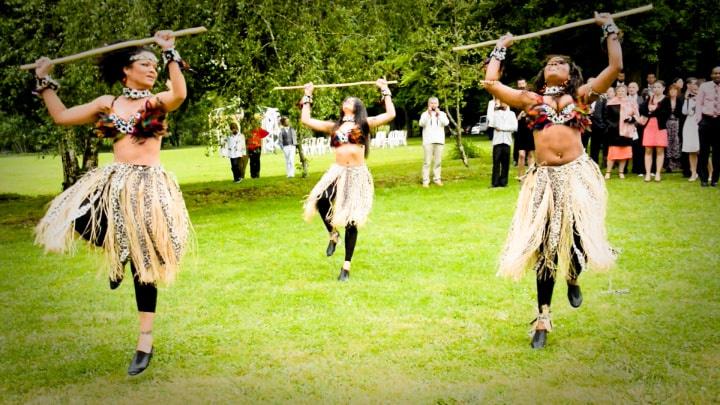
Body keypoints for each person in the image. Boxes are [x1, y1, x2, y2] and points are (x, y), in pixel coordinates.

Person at [32, 31, 191, 375]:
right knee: (76, 216)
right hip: (115, 182)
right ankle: (116, 253)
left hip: (149, 187)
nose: (151, 70)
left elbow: (179, 92)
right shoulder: (108, 103)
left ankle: (144, 341)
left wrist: (169, 52)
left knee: (144, 262)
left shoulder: (158, 101)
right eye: (144, 64)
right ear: (125, 70)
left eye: (153, 64)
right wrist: (44, 82)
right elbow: (61, 116)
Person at [483, 12, 619, 349]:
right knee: (546, 246)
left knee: (575, 239)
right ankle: (543, 316)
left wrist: (609, 28)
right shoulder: (532, 101)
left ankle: (574, 275)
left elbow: (614, 68)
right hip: (544, 181)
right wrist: (501, 48)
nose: (554, 65)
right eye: (550, 64)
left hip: (576, 177)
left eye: (561, 63)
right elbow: (491, 84)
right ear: (544, 74)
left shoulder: (583, 97)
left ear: (571, 73)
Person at [301, 79, 395, 281]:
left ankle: (346, 266)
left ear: (357, 107)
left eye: (351, 100)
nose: (347, 101)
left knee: (352, 221)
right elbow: (306, 120)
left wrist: (385, 89)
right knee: (321, 199)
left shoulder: (364, 124)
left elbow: (390, 114)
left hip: (357, 175)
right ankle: (333, 234)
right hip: (337, 171)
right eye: (345, 100)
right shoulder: (334, 126)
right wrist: (308, 95)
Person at [604, 85, 639, 179]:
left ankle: (621, 172)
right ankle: (608, 172)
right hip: (614, 131)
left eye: (623, 91)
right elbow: (606, 117)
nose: (621, 93)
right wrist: (612, 125)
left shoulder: (631, 102)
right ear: (616, 92)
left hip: (627, 131)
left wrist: (631, 119)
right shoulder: (611, 103)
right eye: (619, 91)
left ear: (626, 91)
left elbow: (637, 116)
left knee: (624, 153)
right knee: (612, 153)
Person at [639, 80, 670, 182]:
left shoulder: (666, 99)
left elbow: (666, 113)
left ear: (663, 88)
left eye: (658, 87)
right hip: (649, 126)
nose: (656, 89)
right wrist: (649, 111)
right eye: (655, 87)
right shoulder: (649, 98)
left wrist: (654, 110)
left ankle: (658, 173)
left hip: (660, 127)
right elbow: (642, 109)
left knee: (660, 150)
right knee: (648, 150)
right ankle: (648, 173)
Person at [695, 66, 720, 187]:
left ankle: (715, 179)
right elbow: (699, 103)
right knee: (704, 152)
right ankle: (703, 178)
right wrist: (699, 120)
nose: (717, 75)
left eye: (719, 73)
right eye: (715, 73)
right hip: (706, 121)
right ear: (711, 75)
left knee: (717, 152)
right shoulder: (704, 86)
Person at [419, 96, 449, 187]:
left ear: (438, 104)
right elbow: (421, 124)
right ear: (428, 104)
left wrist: (438, 114)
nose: (433, 105)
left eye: (435, 103)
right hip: (428, 141)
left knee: (438, 162)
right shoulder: (424, 114)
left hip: (439, 140)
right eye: (431, 103)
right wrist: (428, 114)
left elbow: (446, 123)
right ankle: (425, 181)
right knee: (427, 162)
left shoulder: (442, 114)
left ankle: (437, 179)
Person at [488, 100, 517, 187]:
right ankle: (495, 182)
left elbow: (514, 127)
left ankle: (504, 181)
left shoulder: (511, 114)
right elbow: (492, 124)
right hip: (497, 141)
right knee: (496, 162)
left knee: (505, 163)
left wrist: (502, 128)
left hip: (507, 141)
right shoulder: (495, 114)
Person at [660, 84, 684, 172]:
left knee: (676, 142)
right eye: (671, 90)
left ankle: (676, 163)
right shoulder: (665, 100)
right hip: (667, 123)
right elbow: (661, 112)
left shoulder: (680, 100)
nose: (673, 91)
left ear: (677, 91)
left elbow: (682, 113)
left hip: (677, 123)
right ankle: (668, 165)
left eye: (675, 90)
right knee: (668, 142)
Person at [682, 77, 700, 181]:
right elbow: (685, 112)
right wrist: (686, 99)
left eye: (696, 90)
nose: (694, 92)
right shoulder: (688, 98)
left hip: (700, 123)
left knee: (703, 150)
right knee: (691, 150)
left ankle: (710, 173)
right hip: (690, 124)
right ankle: (693, 173)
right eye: (692, 90)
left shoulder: (704, 99)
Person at [246, 114, 269, 179]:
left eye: (254, 122)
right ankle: (252, 175)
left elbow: (266, 133)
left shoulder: (259, 130)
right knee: (252, 161)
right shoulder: (248, 131)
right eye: (252, 122)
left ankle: (257, 174)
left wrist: (260, 123)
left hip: (257, 147)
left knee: (257, 160)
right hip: (250, 147)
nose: (253, 124)